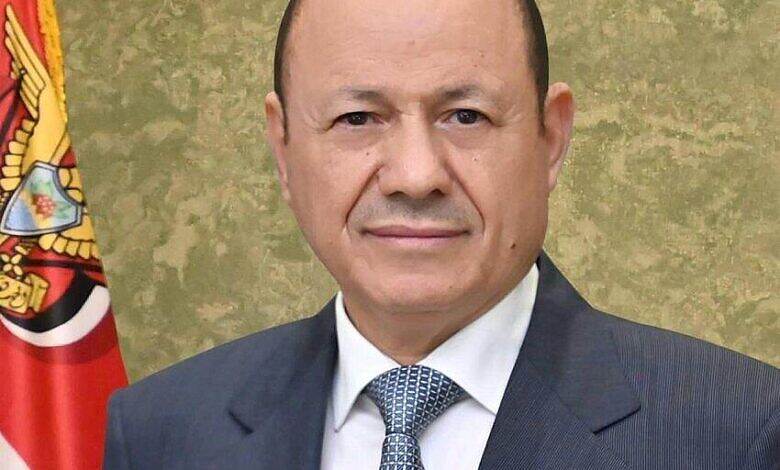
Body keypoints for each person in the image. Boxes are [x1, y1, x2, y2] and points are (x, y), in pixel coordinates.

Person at [102, 0, 780, 468]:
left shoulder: (740, 434)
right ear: (283, 150)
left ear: (551, 139)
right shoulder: (162, 434)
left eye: (465, 116)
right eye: (358, 119)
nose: (415, 176)